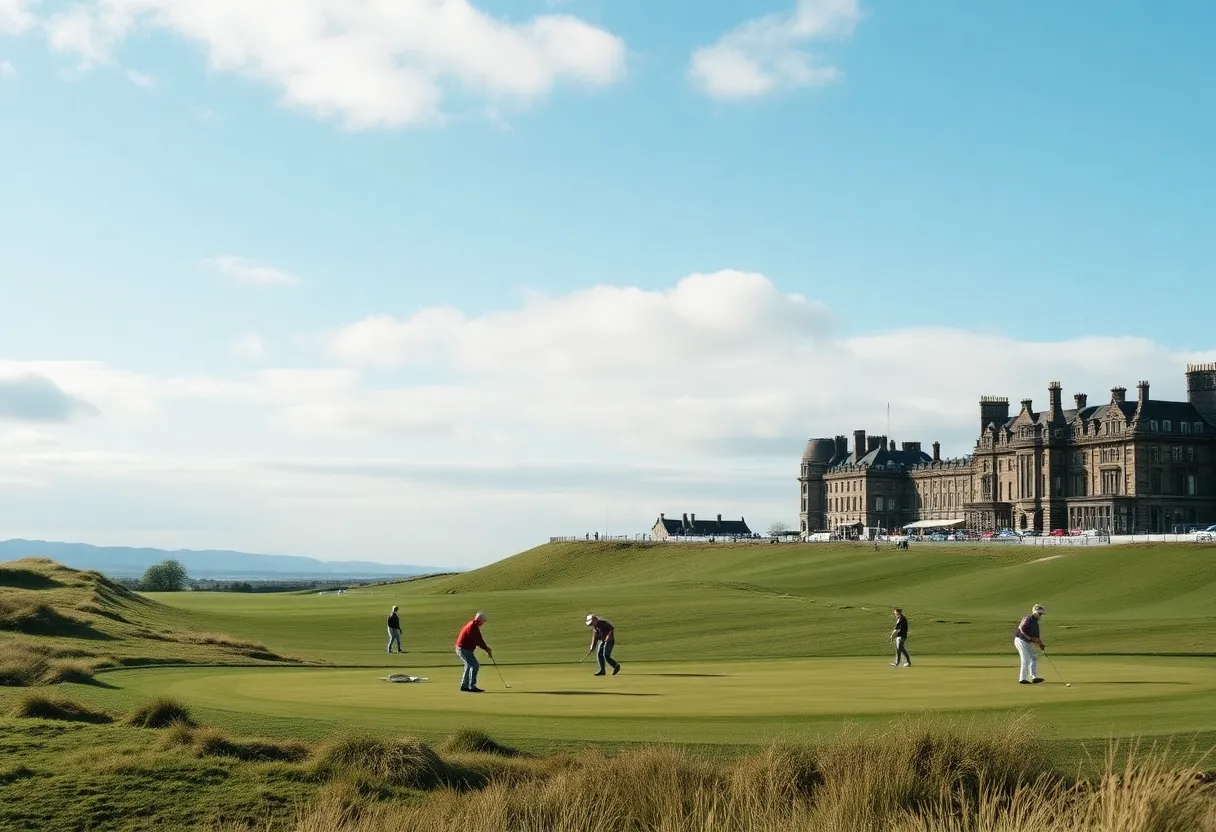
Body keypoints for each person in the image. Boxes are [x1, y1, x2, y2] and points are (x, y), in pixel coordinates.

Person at [455, 611, 492, 692]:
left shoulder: (473, 625)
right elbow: (477, 640)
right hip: (463, 649)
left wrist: (486, 648)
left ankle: (464, 686)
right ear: (480, 620)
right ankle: (472, 686)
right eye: (483, 621)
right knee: (475, 665)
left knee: (469, 666)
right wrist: (486, 649)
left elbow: (479, 639)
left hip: (462, 648)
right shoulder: (472, 627)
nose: (483, 623)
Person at [1014, 604, 1046, 684]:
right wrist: (1029, 638)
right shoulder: (1028, 618)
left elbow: (1037, 637)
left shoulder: (1036, 623)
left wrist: (1040, 644)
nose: (1040, 615)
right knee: (1026, 659)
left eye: (1041, 614)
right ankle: (1022, 678)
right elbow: (1021, 628)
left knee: (1033, 658)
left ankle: (1034, 677)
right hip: (1020, 640)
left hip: (1026, 642)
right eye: (1039, 613)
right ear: (1034, 612)